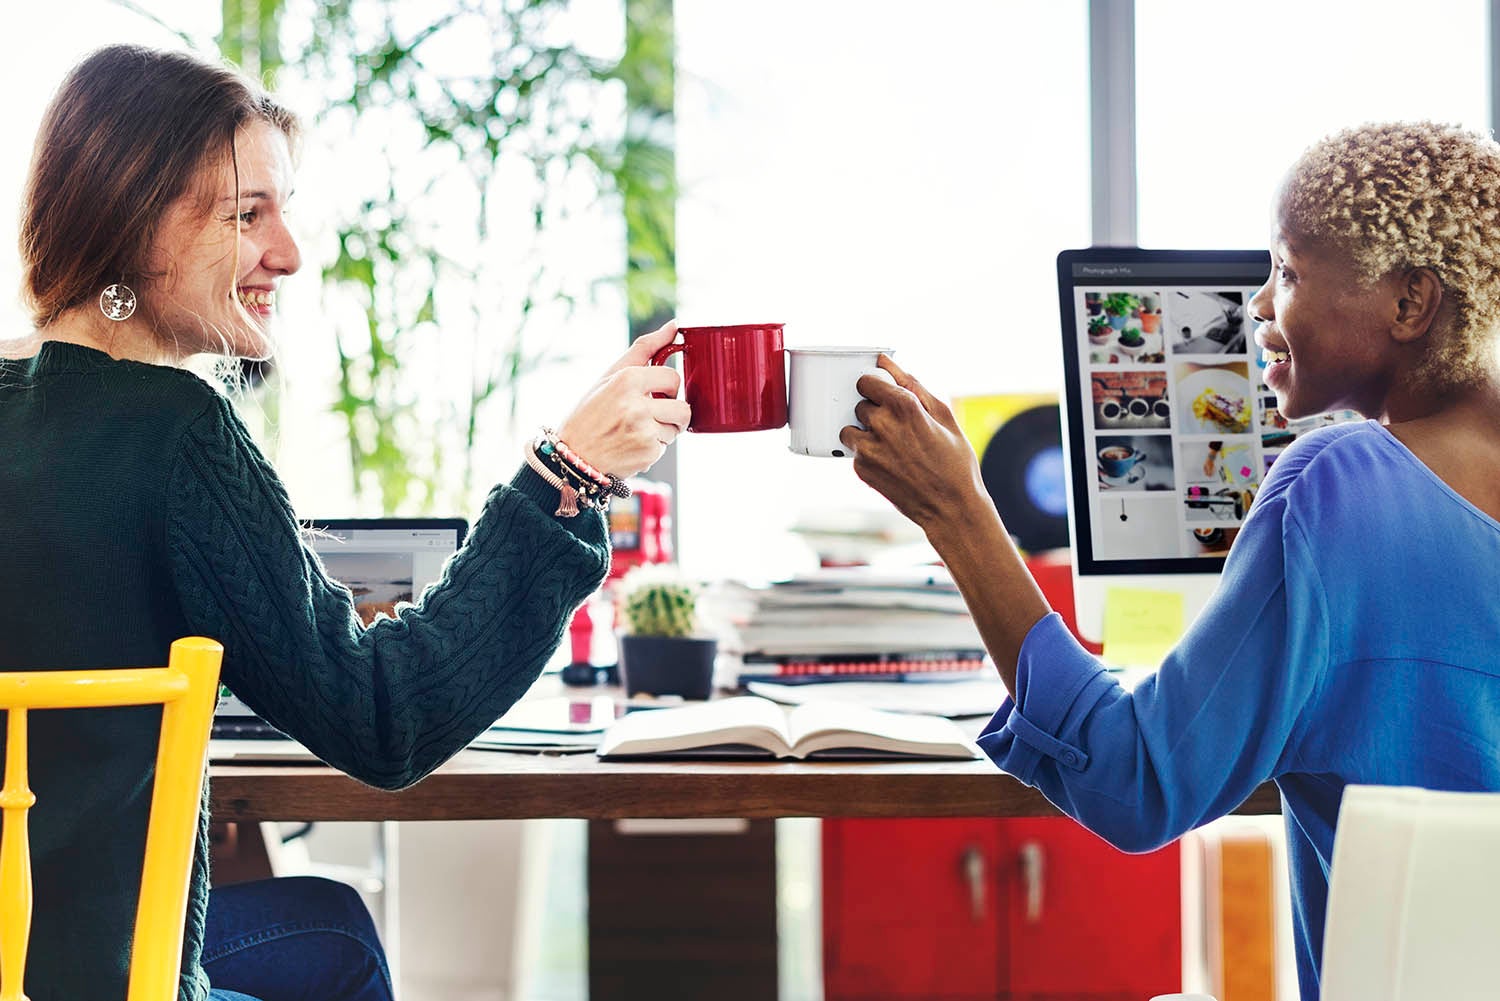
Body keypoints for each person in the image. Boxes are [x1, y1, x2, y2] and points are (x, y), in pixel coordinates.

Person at [0, 44, 689, 1001]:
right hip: (98, 981)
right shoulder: (173, 432)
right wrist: (566, 473)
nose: (288, 252)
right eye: (247, 215)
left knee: (331, 932)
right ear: (135, 220)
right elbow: (385, 717)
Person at [842, 120, 1500, 1000]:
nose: (1259, 305)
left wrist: (955, 510)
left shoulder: (1334, 487)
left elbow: (1139, 779)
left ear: (1410, 303)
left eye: (1290, 272)